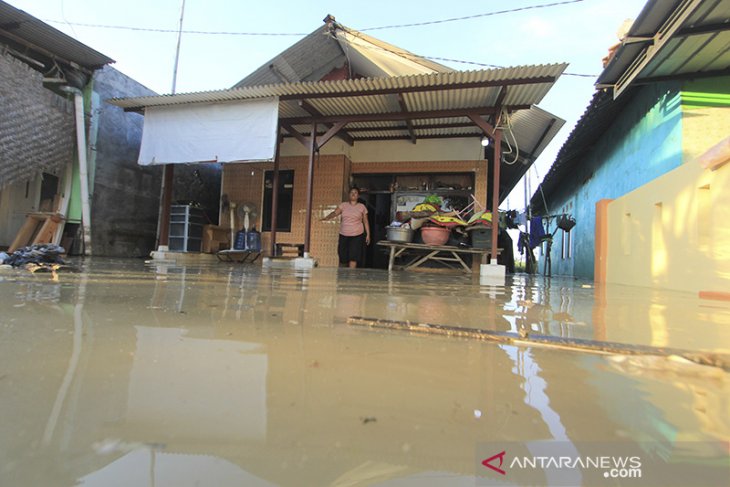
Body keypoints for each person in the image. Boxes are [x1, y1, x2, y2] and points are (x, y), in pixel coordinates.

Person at [321, 187, 371, 268]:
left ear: (358, 196)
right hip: (344, 234)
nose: (353, 194)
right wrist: (327, 217)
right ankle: (342, 276)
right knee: (342, 256)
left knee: (353, 257)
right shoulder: (343, 205)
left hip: (357, 235)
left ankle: (351, 277)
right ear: (349, 195)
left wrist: (368, 235)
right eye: (351, 192)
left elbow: (365, 221)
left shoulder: (362, 207)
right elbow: (335, 213)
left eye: (355, 193)